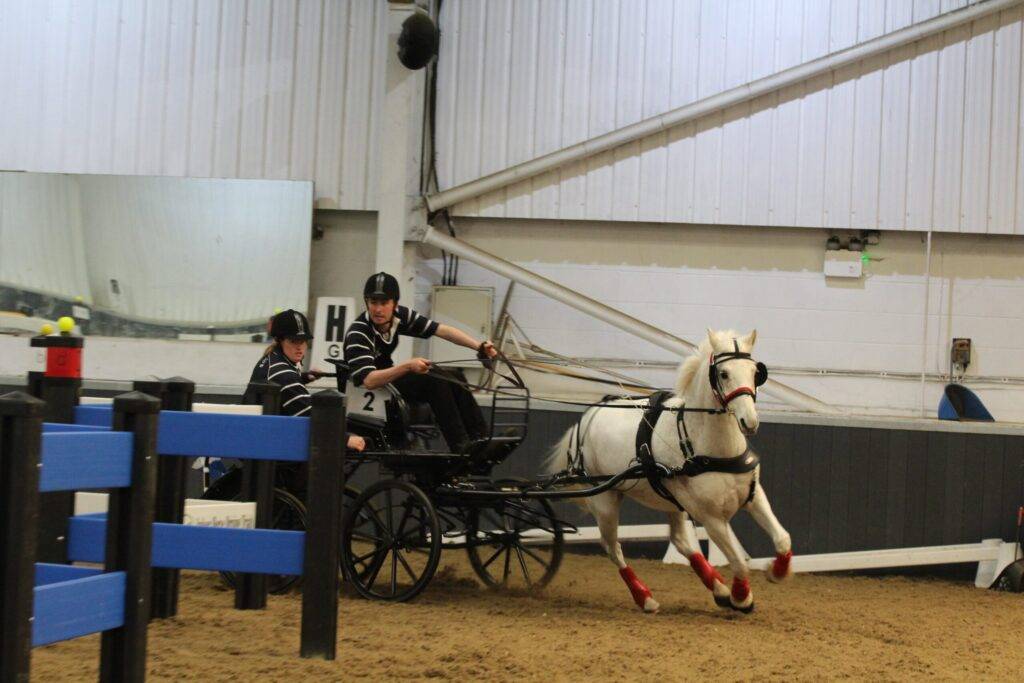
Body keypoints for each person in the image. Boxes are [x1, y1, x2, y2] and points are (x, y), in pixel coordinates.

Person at [344, 272, 499, 455]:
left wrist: (479, 347)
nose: (378, 309)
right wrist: (408, 366)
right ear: (366, 302)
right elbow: (369, 380)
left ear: (395, 304)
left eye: (384, 303)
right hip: (372, 388)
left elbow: (442, 330)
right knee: (432, 379)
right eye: (373, 302)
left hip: (388, 383)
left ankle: (480, 439)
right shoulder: (359, 333)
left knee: (456, 377)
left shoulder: (399, 316)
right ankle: (460, 446)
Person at [249, 308, 366, 452]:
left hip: (258, 441)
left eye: (303, 341)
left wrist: (304, 377)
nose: (300, 347)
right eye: (293, 341)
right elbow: (311, 420)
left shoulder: (271, 359)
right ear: (279, 340)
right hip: (272, 454)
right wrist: (347, 439)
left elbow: (284, 387)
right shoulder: (285, 374)